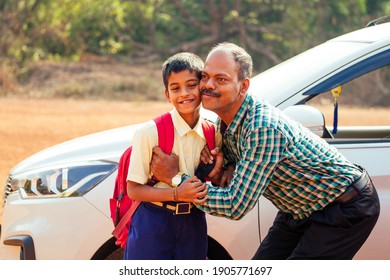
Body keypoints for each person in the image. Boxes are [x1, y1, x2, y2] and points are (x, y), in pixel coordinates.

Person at [150, 42, 381, 260]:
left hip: (343, 206)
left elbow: (234, 205)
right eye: (205, 77)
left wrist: (177, 179)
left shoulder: (262, 127)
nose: (209, 85)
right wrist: (220, 173)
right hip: (299, 207)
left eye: (221, 79)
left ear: (243, 86)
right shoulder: (225, 122)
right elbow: (234, 178)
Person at [124, 52, 215, 260]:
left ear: (202, 85)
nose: (184, 93)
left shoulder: (212, 132)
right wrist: (177, 194)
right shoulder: (150, 132)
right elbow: (134, 190)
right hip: (153, 221)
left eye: (191, 85)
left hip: (194, 220)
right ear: (167, 95)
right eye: (175, 88)